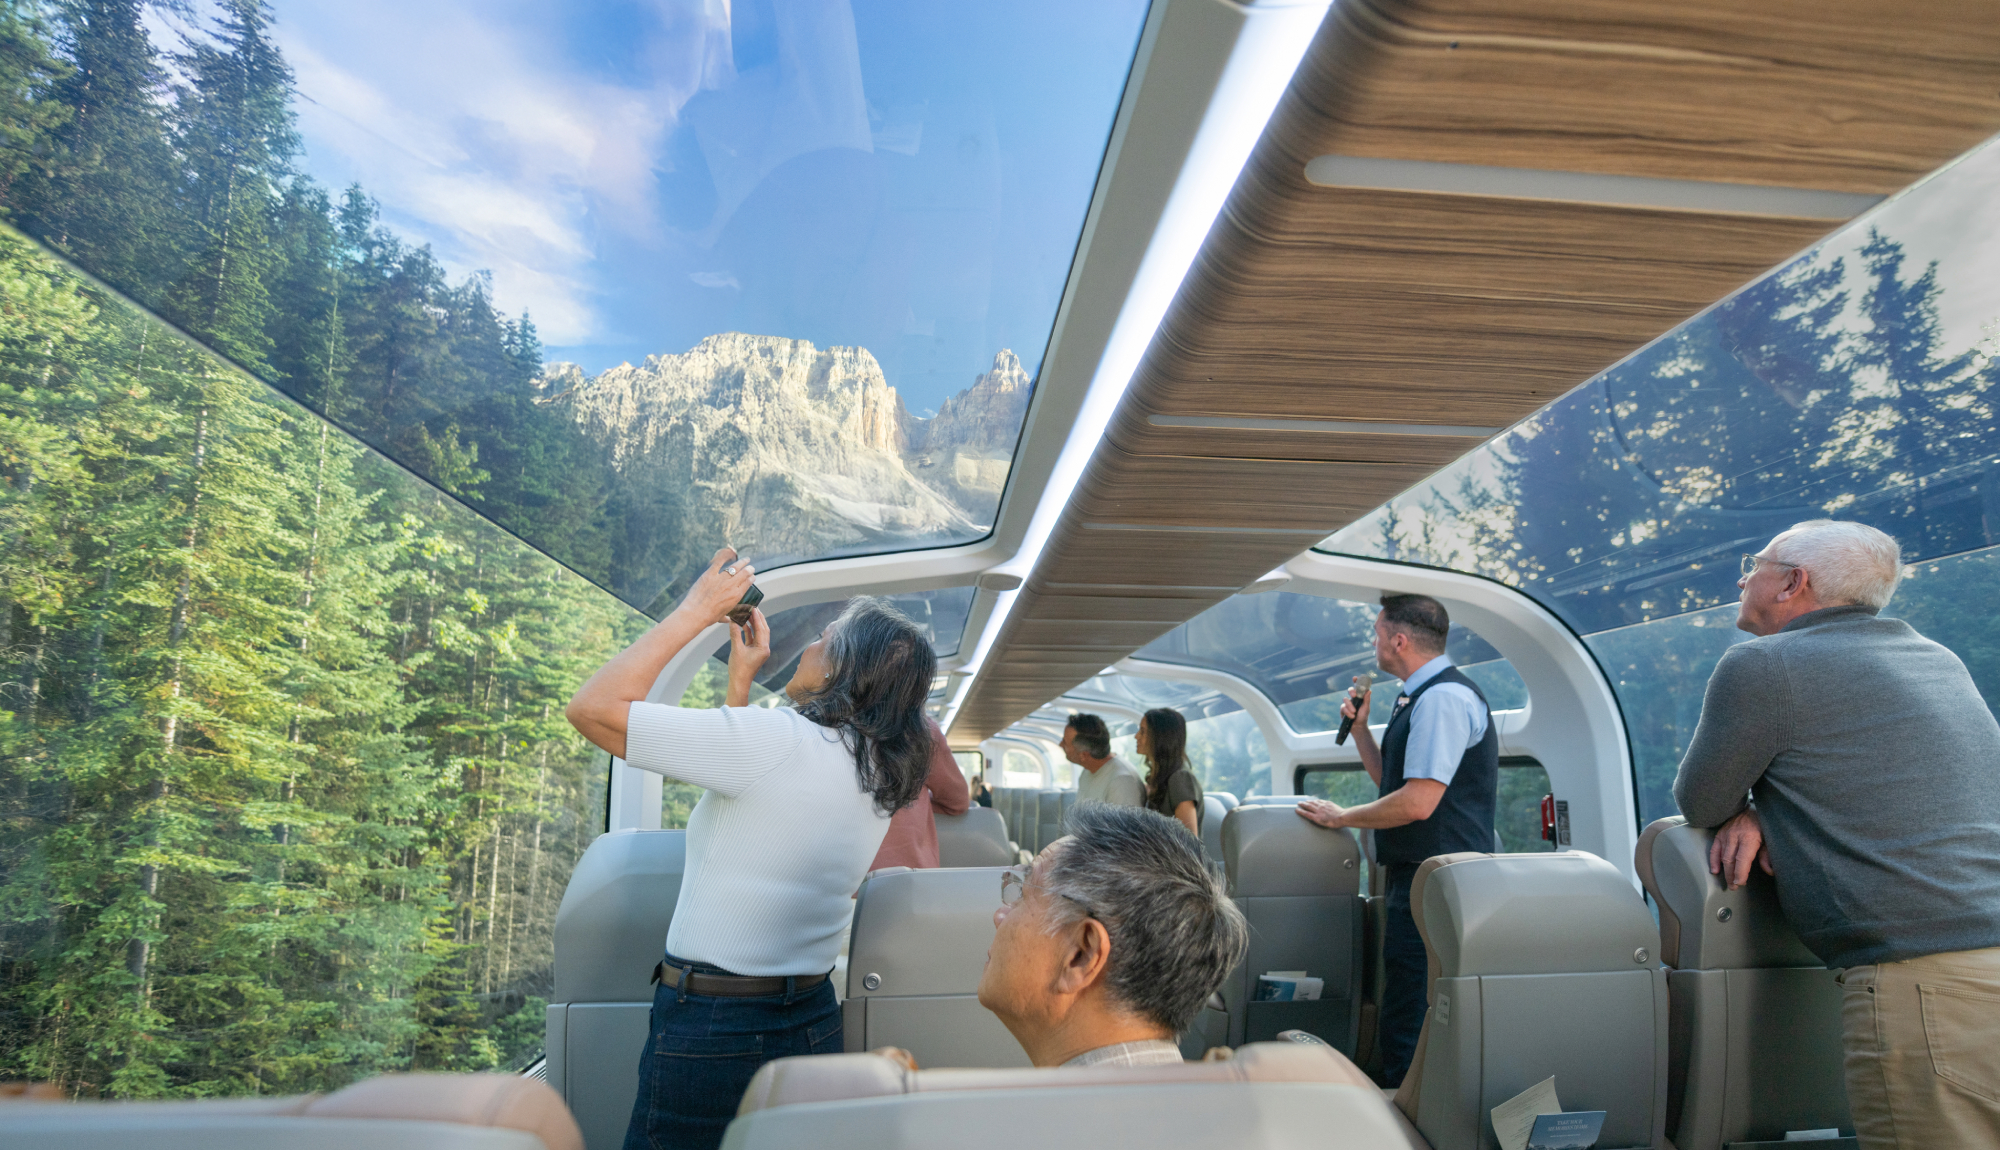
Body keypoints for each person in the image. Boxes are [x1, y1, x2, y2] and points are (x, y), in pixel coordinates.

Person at [565, 549, 936, 1150]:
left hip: (714, 1025)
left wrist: (695, 612)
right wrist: (740, 682)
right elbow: (755, 797)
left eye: (823, 637)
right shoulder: (877, 771)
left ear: (848, 667)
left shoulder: (779, 741)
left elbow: (593, 709)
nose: (808, 647)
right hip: (810, 1015)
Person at [1671, 520, 2000, 1150]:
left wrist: (1752, 806)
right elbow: (1921, 779)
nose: (1743, 578)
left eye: (1756, 562)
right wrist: (1776, 805)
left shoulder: (1763, 665)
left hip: (1924, 985)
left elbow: (1702, 799)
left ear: (1793, 583)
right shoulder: (1937, 659)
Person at [1294, 593, 1496, 1088]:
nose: (1375, 643)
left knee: (1412, 1006)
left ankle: (1410, 1122)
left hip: (1440, 879)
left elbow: (1418, 803)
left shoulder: (1444, 699)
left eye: (1378, 634)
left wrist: (1343, 818)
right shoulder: (1419, 696)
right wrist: (1362, 732)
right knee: (1406, 995)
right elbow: (1396, 784)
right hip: (1421, 875)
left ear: (1399, 640)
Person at [976, 803, 1247, 1067]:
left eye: (1022, 895)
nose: (999, 916)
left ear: (1081, 955)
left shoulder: (1065, 1111)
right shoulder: (1200, 1103)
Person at [869, 717, 971, 870]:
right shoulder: (922, 730)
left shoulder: (828, 728)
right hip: (912, 878)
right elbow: (958, 801)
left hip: (842, 885)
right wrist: (917, 800)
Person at [1137, 708, 1203, 835]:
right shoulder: (1162, 778)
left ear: (1160, 737)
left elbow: (1188, 840)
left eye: (1143, 731)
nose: (1136, 736)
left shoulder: (1180, 778)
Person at [1062, 712, 1146, 807]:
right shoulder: (1087, 772)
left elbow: (1127, 822)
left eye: (1065, 742)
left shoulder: (1122, 783)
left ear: (1084, 755)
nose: (1060, 744)